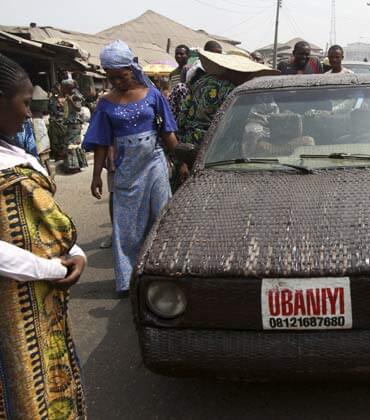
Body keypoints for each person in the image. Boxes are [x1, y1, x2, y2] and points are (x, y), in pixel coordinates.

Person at [0, 53, 87, 419]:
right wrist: (52, 270)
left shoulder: (14, 151)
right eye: (23, 103)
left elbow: (47, 217)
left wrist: (75, 252)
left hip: (39, 307)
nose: (28, 114)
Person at [83, 40, 178, 297]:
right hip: (126, 168)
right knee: (126, 225)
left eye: (122, 76)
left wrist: (182, 162)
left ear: (132, 69)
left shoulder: (154, 95)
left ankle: (163, 271)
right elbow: (102, 142)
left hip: (155, 162)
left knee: (162, 216)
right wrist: (96, 177)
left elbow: (167, 132)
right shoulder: (105, 104)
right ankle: (127, 279)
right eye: (112, 78)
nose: (117, 82)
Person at [175, 50, 279, 187]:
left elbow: (181, 117)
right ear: (239, 72)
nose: (249, 78)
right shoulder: (233, 91)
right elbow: (239, 128)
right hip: (215, 153)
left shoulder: (201, 81)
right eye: (248, 74)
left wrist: (181, 160)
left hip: (189, 149)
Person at [49, 78, 89, 173]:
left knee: (72, 145)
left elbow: (78, 108)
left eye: (63, 87)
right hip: (70, 123)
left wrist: (70, 101)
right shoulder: (68, 95)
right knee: (71, 144)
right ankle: (74, 165)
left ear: (68, 87)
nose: (61, 89)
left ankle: (74, 166)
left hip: (75, 123)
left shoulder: (75, 96)